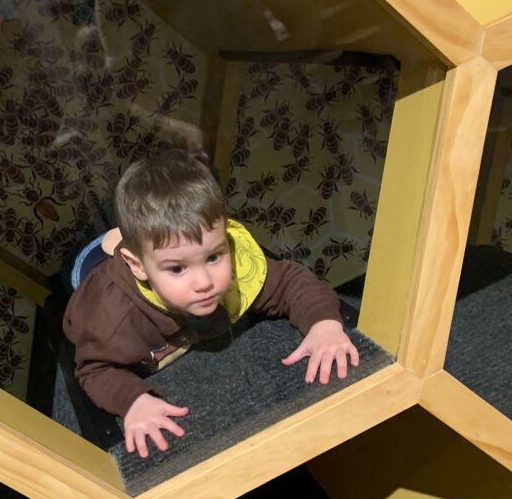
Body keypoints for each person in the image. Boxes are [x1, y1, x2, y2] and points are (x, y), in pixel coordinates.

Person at [63, 149, 359, 458]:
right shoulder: (111, 320)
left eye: (214, 256)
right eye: (178, 268)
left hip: (141, 251)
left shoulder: (230, 264)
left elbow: (289, 282)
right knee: (77, 268)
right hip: (92, 270)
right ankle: (109, 245)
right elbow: (94, 370)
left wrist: (324, 324)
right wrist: (132, 400)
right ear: (138, 267)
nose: (204, 281)